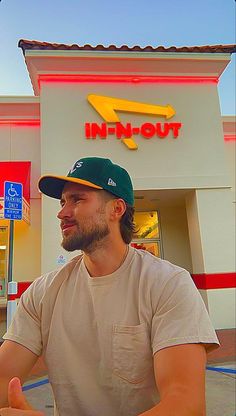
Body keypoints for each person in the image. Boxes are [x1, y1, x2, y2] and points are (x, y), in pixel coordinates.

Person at [0, 157, 219, 416]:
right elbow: (4, 377)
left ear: (116, 209)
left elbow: (186, 404)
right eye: (62, 202)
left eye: (77, 199)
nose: (62, 213)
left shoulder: (168, 284)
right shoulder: (43, 292)